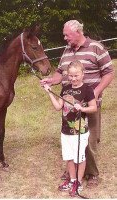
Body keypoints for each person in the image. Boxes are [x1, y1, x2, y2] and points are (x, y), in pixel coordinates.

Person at [40, 20, 114, 188]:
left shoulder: (96, 47)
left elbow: (109, 73)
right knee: (72, 139)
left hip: (89, 105)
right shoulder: (66, 51)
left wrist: (93, 94)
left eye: (67, 35)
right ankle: (72, 173)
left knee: (90, 140)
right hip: (70, 107)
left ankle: (92, 173)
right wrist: (51, 80)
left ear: (78, 32)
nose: (64, 38)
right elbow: (60, 72)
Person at [43, 61, 97, 197]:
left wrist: (82, 108)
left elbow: (94, 107)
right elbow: (58, 107)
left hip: (80, 132)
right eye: (71, 76)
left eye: (76, 75)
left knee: (79, 158)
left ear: (82, 74)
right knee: (68, 157)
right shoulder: (65, 88)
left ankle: (78, 182)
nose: (73, 78)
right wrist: (49, 92)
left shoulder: (87, 89)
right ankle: (72, 180)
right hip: (65, 131)